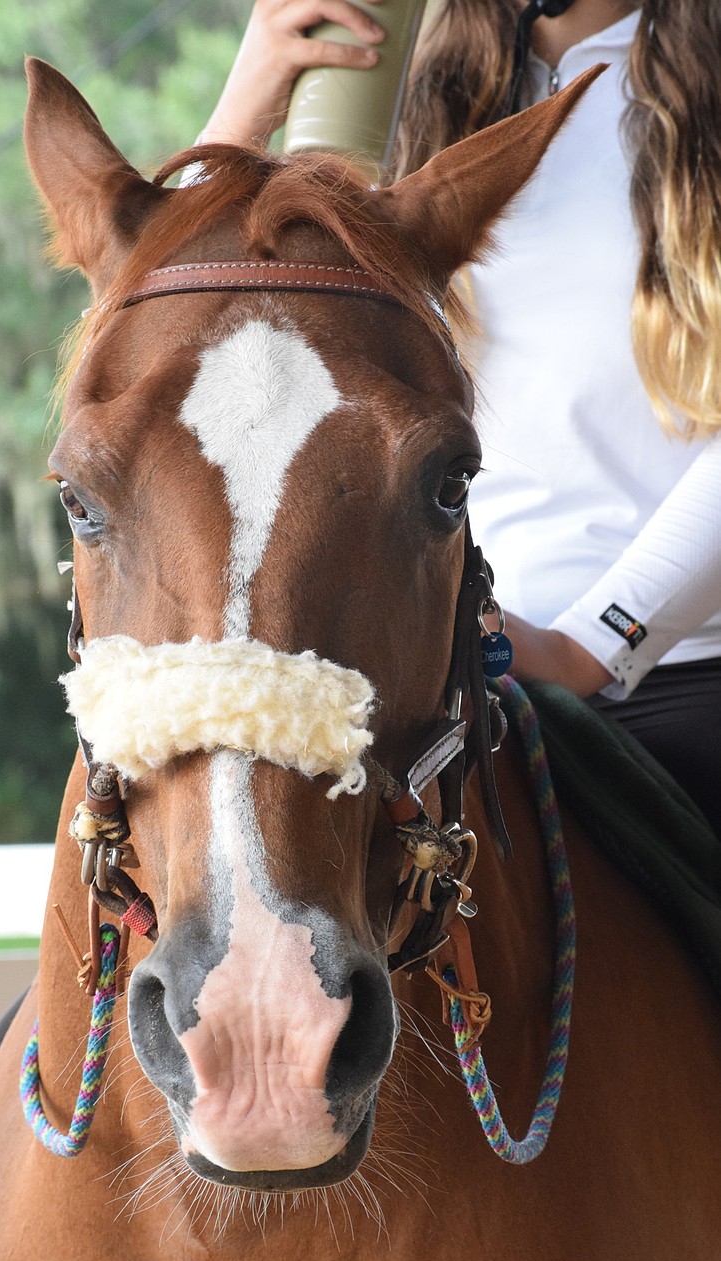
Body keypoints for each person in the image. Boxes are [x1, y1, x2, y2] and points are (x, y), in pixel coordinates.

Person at [200, 0, 721, 832]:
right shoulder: (397, 91)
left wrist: (588, 644)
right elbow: (195, 323)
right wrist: (254, 92)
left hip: (682, 677)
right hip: (441, 674)